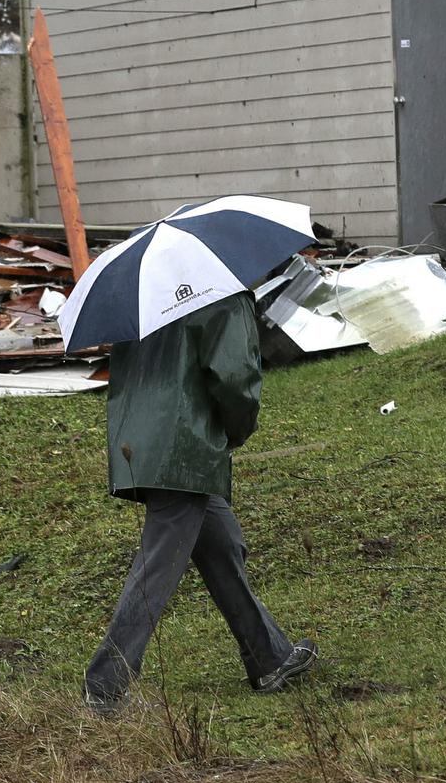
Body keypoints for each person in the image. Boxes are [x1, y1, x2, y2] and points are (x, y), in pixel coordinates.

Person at [83, 291, 316, 712]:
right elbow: (236, 378)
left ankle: (269, 657)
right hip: (185, 447)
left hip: (143, 442)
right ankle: (105, 687)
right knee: (157, 569)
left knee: (223, 547)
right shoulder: (221, 296)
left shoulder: (143, 296)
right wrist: (234, 432)